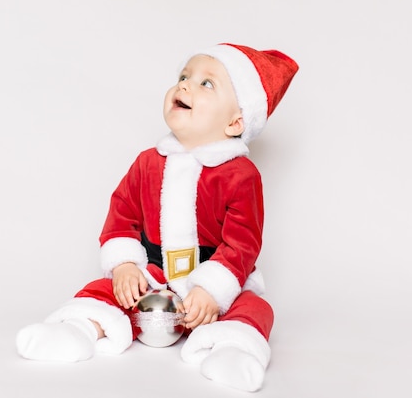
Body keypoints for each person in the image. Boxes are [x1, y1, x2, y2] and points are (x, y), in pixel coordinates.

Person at [16, 43, 298, 392]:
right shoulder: (148, 162)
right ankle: (78, 329)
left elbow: (243, 243)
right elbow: (122, 214)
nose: (185, 86)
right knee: (107, 292)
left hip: (212, 280)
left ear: (235, 121)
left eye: (206, 84)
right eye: (183, 77)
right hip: (154, 273)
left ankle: (233, 350)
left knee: (253, 307)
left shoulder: (240, 175)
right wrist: (124, 267)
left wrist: (212, 290)